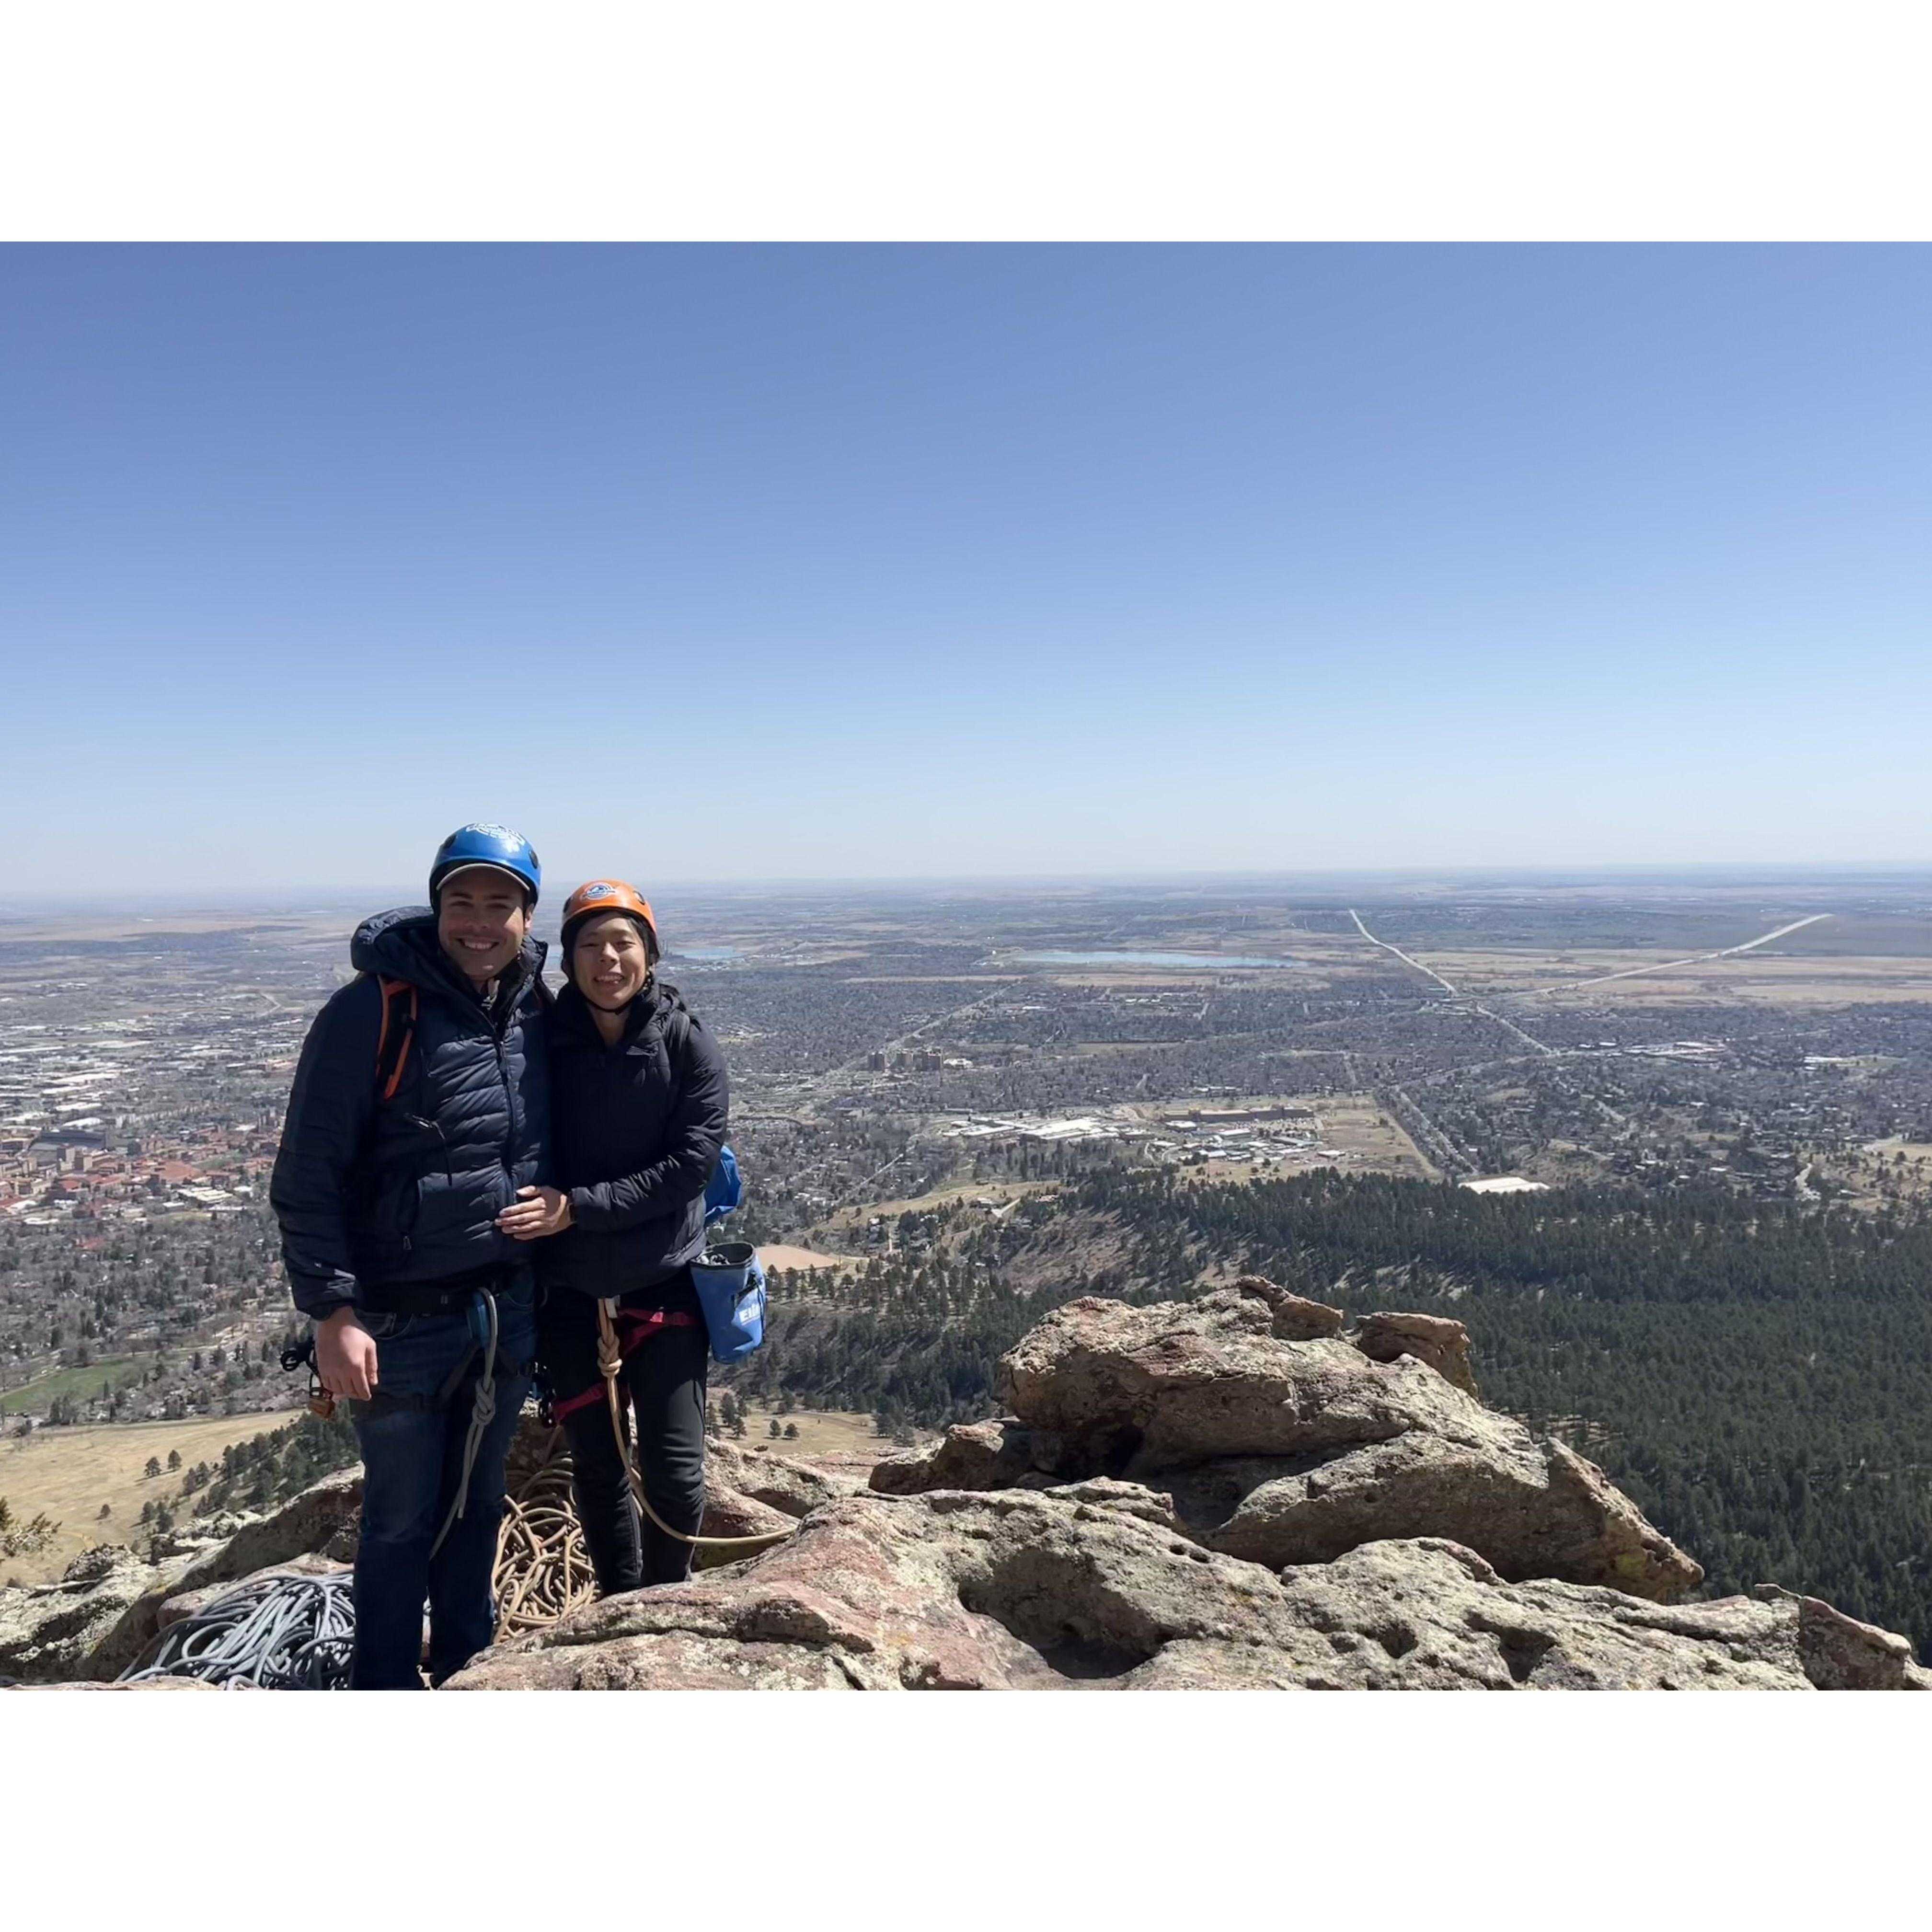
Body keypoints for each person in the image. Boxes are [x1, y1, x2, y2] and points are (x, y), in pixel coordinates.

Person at [269, 823, 563, 1688]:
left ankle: (472, 1673)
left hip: (502, 1309)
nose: (480, 923)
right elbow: (308, 1172)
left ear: (527, 917)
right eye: (461, 902)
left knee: (479, 1505)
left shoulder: (533, 1008)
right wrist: (333, 1312)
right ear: (436, 909)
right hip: (399, 1320)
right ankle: (386, 1686)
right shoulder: (373, 1010)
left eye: (500, 905)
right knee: (399, 1520)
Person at [507, 879, 728, 1593]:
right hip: (571, 1291)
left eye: (623, 943)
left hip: (663, 1280)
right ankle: (620, 1605)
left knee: (675, 1469)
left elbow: (691, 1166)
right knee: (598, 1468)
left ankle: (663, 1601)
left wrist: (578, 1208)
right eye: (590, 945)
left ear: (649, 954)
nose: (608, 959)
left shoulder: (687, 1044)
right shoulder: (539, 1044)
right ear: (568, 959)